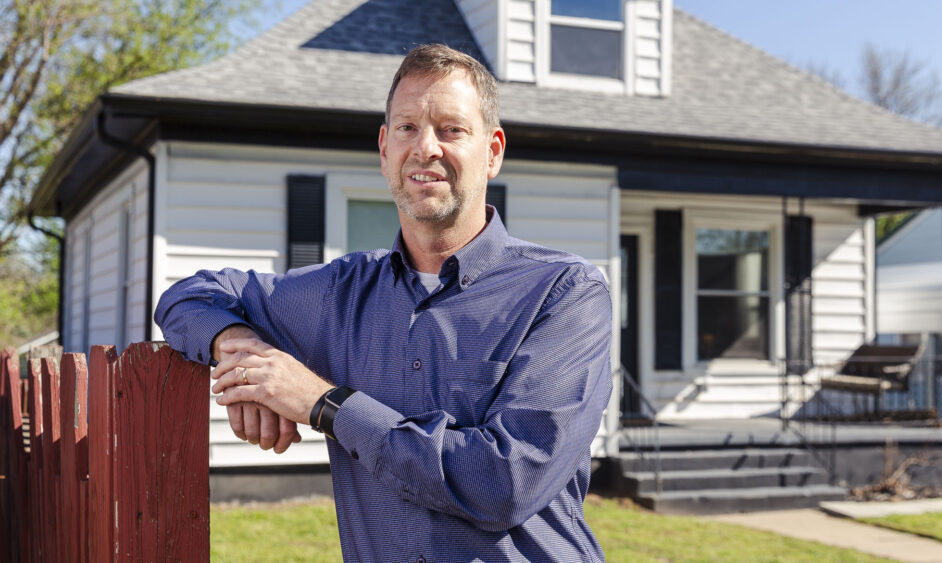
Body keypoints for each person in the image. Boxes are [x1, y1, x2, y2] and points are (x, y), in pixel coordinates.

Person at [155, 43, 612, 562]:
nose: (425, 148)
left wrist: (325, 404)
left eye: (451, 129)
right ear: (384, 149)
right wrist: (244, 352)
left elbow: (503, 481)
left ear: (493, 150)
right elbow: (188, 297)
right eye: (407, 128)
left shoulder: (563, 293)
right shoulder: (340, 294)